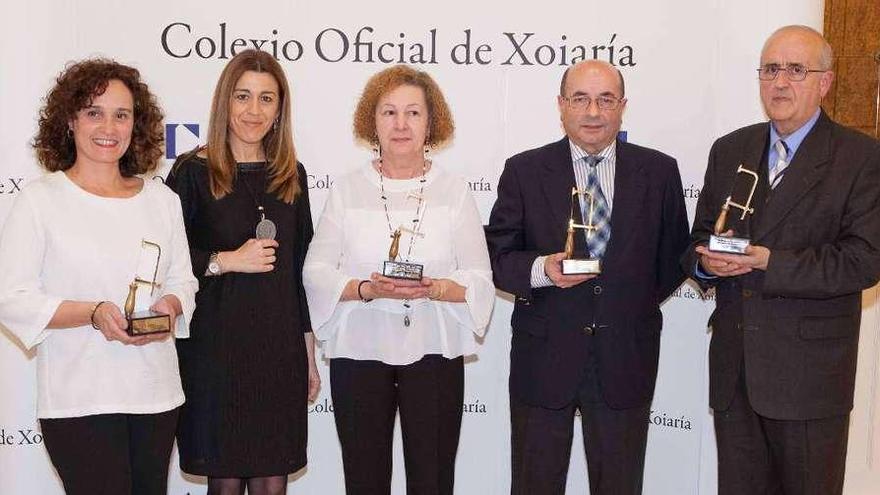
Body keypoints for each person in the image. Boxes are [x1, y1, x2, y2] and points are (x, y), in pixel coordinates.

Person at [682, 25, 880, 495]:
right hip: (736, 373)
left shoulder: (861, 157)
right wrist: (708, 265)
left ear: (825, 82)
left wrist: (770, 261)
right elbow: (696, 243)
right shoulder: (730, 149)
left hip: (809, 378)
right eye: (771, 70)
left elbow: (864, 260)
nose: (780, 82)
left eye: (796, 70)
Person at [485, 60, 690, 494]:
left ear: (622, 106)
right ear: (561, 106)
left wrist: (624, 298)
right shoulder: (523, 171)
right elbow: (498, 256)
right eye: (580, 99)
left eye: (605, 100)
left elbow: (673, 259)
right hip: (544, 359)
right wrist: (543, 270)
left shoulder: (659, 172)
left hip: (625, 359)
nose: (593, 111)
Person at [0, 59, 197, 495]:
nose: (108, 126)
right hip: (79, 399)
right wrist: (92, 314)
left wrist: (171, 306)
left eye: (121, 114)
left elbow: (184, 281)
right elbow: (11, 297)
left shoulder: (162, 200)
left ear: (136, 124)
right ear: (70, 121)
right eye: (94, 112)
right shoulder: (40, 201)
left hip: (155, 394)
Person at [302, 65, 494, 495]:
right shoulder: (348, 189)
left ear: (432, 122)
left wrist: (439, 288)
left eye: (413, 113)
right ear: (373, 121)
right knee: (364, 480)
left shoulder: (455, 190)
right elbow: (315, 273)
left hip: (433, 351)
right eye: (389, 112)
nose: (401, 124)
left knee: (433, 479)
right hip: (360, 351)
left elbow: (481, 278)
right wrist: (367, 289)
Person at [165, 49, 319, 495]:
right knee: (225, 481)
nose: (254, 111)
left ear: (280, 109)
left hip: (279, 351)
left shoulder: (292, 175)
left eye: (266, 99)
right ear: (224, 103)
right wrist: (226, 260)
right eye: (243, 97)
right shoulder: (193, 171)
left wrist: (308, 353)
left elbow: (299, 274)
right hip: (215, 351)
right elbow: (167, 262)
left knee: (274, 479)